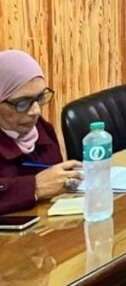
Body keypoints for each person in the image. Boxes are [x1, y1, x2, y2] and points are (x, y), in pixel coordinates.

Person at [0, 50, 83, 215]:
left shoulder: (41, 128)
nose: (36, 111)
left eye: (39, 98)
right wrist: (35, 187)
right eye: (22, 103)